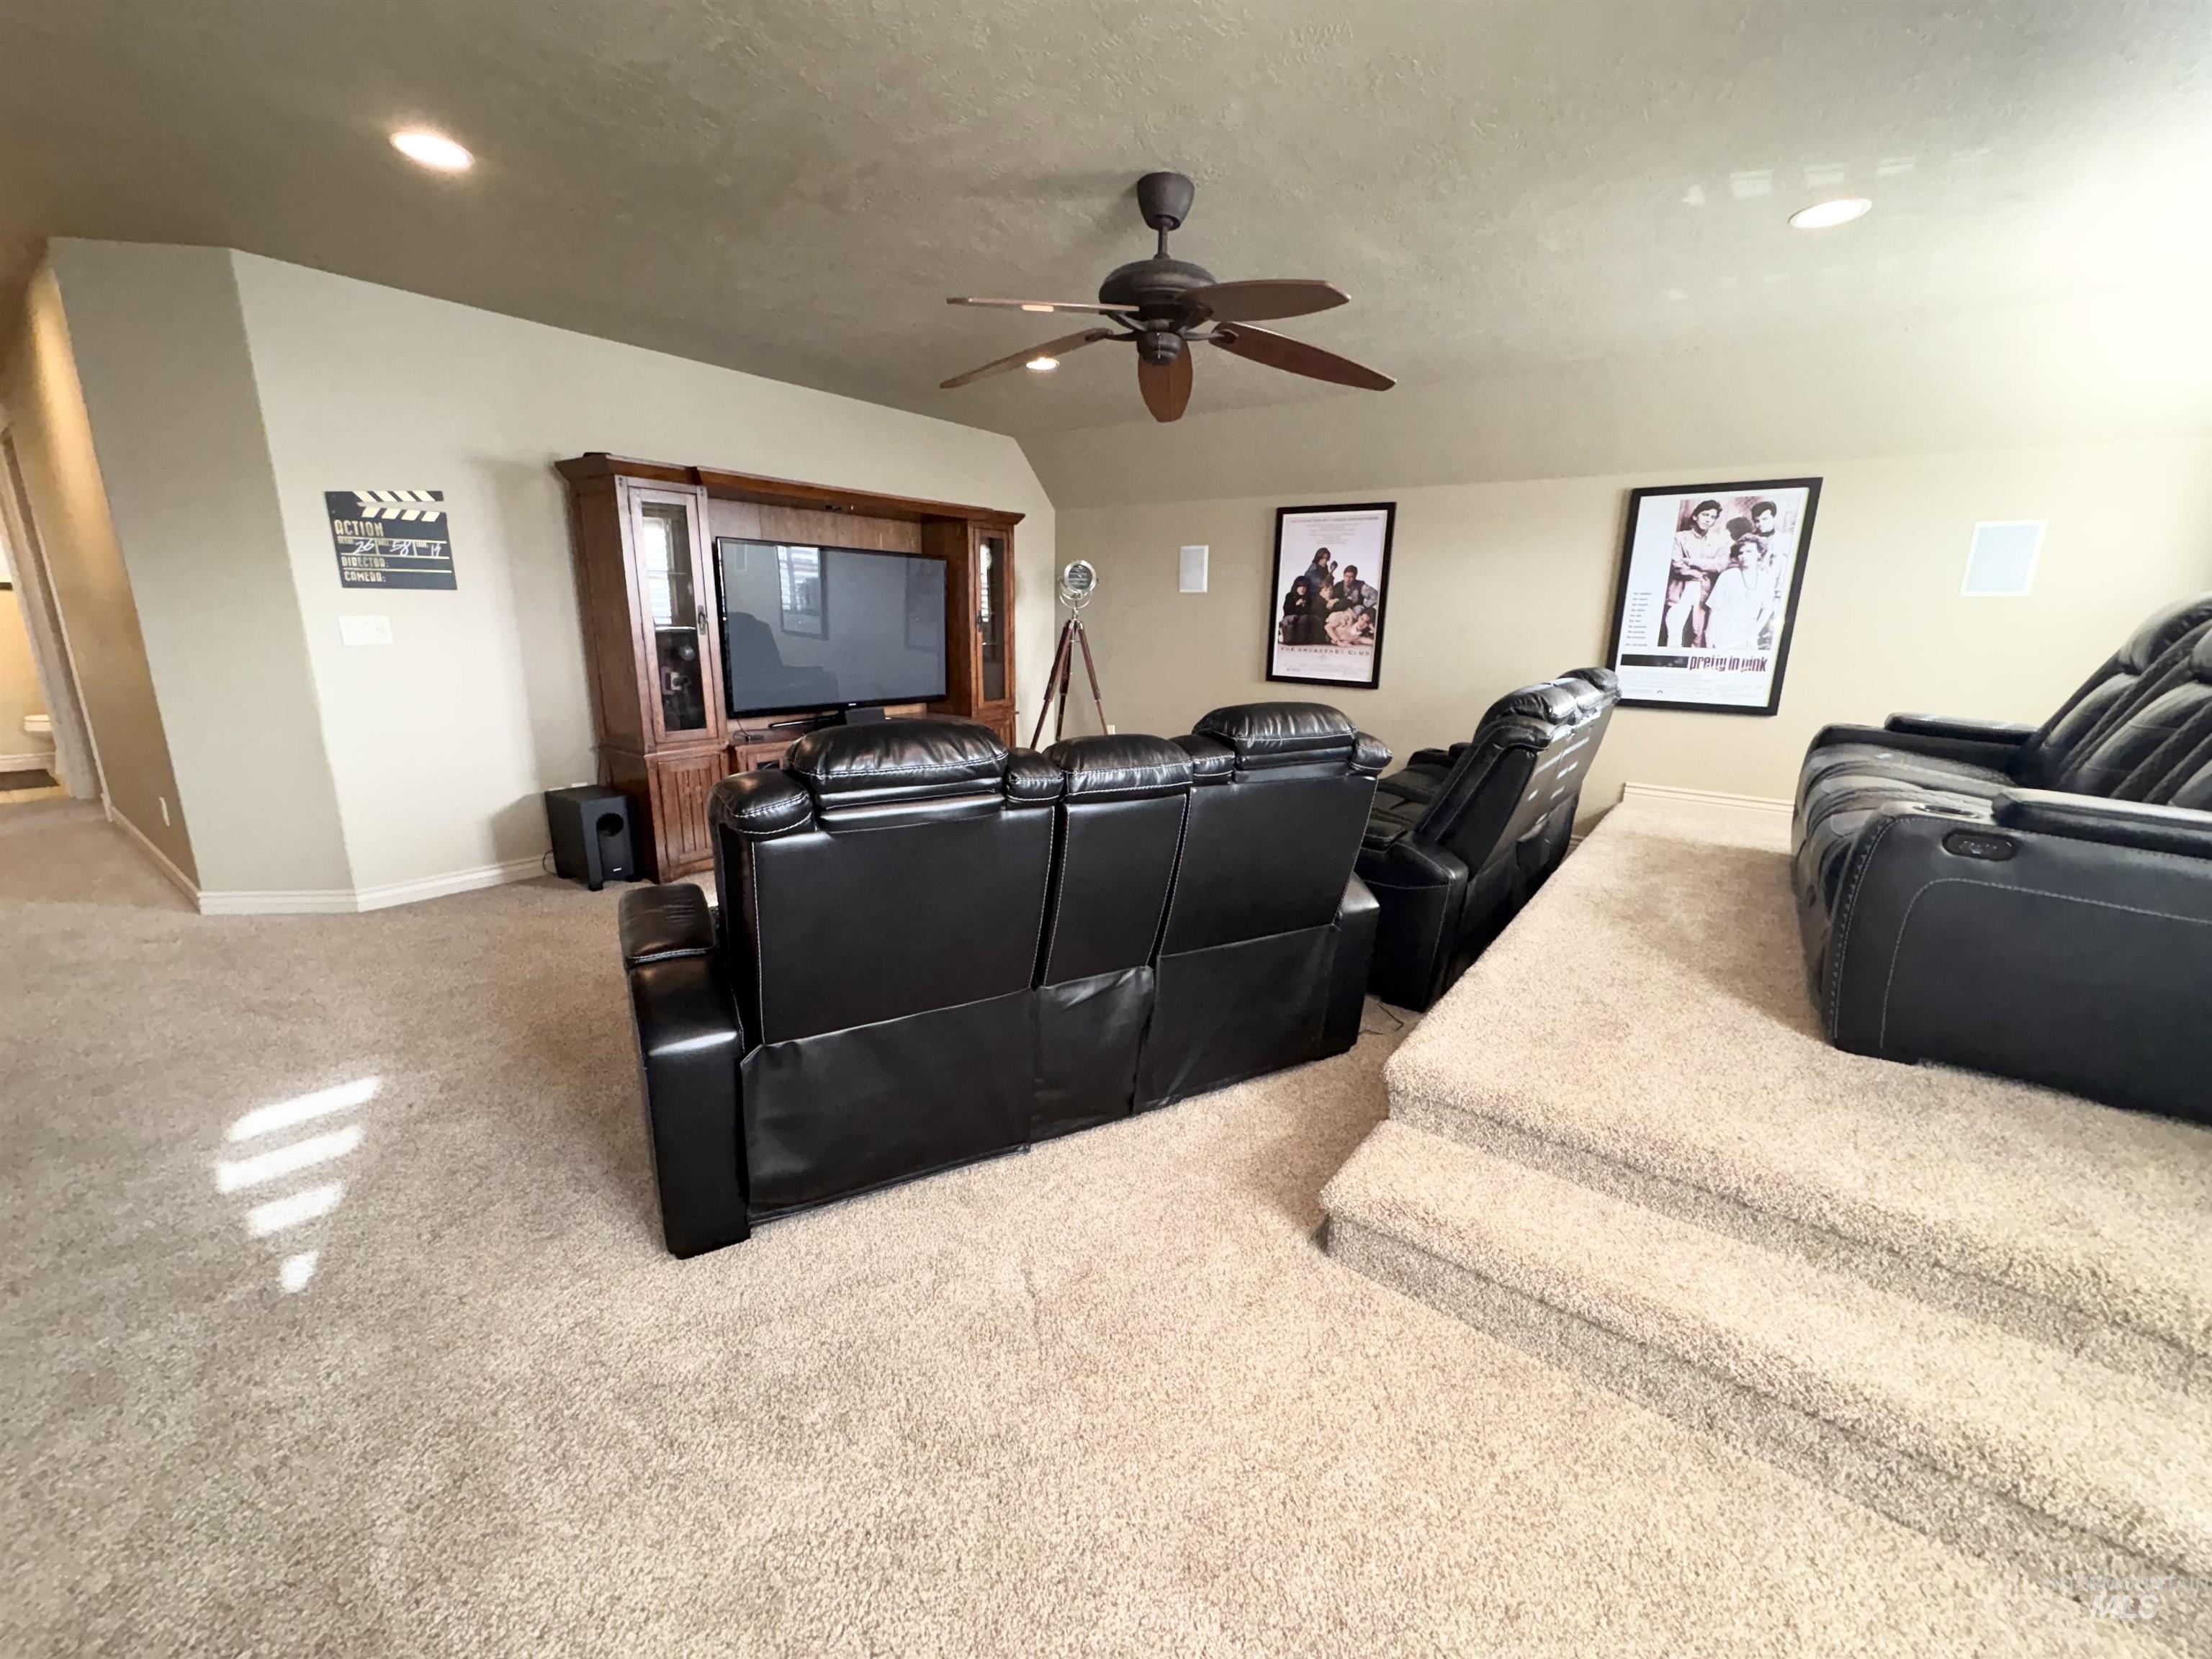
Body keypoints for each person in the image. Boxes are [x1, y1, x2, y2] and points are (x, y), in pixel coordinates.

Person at [1662, 498, 1730, 648]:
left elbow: (1721, 565)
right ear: (1695, 516)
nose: (1708, 520)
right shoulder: (1680, 537)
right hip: (1681, 588)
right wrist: (1700, 574)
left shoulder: (1720, 541)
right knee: (1674, 628)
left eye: (1713, 517)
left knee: (1699, 633)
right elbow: (1677, 565)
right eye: (1705, 515)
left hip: (1705, 591)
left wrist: (1693, 561)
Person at [1702, 536, 1766, 651]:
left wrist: (1754, 633)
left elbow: (1767, 609)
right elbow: (1715, 607)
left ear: (1759, 553)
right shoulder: (1727, 576)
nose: (1744, 556)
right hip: (1724, 631)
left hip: (1748, 632)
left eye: (1749, 551)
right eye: (1741, 553)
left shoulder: (1765, 579)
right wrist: (1709, 635)